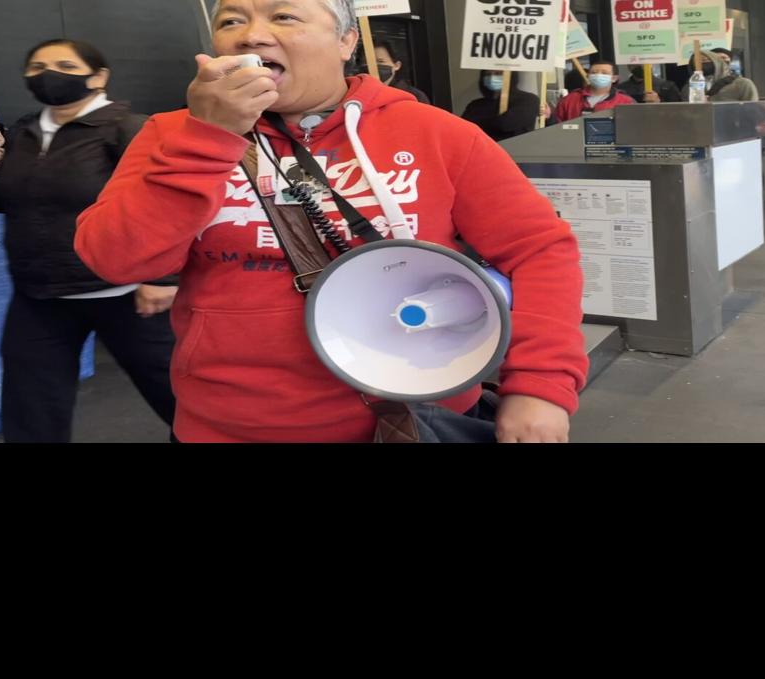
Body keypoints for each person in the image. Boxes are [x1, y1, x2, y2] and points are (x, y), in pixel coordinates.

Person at [75, 0, 588, 442]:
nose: (251, 34)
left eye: (283, 16)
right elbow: (116, 259)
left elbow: (539, 251)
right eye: (230, 21)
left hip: (411, 418)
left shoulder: (436, 133)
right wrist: (207, 140)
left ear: (346, 40)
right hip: (226, 422)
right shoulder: (172, 134)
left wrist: (540, 385)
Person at [0, 38, 177, 443]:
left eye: (64, 64)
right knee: (31, 411)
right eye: (37, 66)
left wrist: (164, 278)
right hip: (39, 296)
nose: (49, 73)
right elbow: (17, 201)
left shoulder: (130, 130)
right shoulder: (26, 132)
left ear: (99, 77)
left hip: (126, 293)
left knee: (183, 399)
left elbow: (168, 206)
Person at [461, 69, 544, 141]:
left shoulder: (529, 100)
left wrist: (479, 123)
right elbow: (464, 130)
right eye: (488, 74)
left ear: (510, 76)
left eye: (498, 73)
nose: (492, 78)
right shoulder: (475, 105)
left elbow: (505, 125)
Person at [552, 60, 635, 121]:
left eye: (604, 73)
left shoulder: (625, 101)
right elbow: (556, 125)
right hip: (575, 142)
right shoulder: (569, 99)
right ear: (588, 76)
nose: (598, 75)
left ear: (614, 78)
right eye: (594, 72)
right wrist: (549, 117)